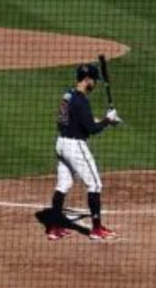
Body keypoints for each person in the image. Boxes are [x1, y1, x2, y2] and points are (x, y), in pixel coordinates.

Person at [45, 63, 123, 241]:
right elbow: (91, 129)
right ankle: (96, 230)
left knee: (63, 185)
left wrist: (103, 119)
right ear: (87, 80)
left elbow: (74, 120)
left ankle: (54, 227)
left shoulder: (69, 95)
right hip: (75, 147)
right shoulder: (81, 100)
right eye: (94, 80)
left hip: (61, 143)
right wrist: (107, 121)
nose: (95, 84)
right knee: (95, 185)